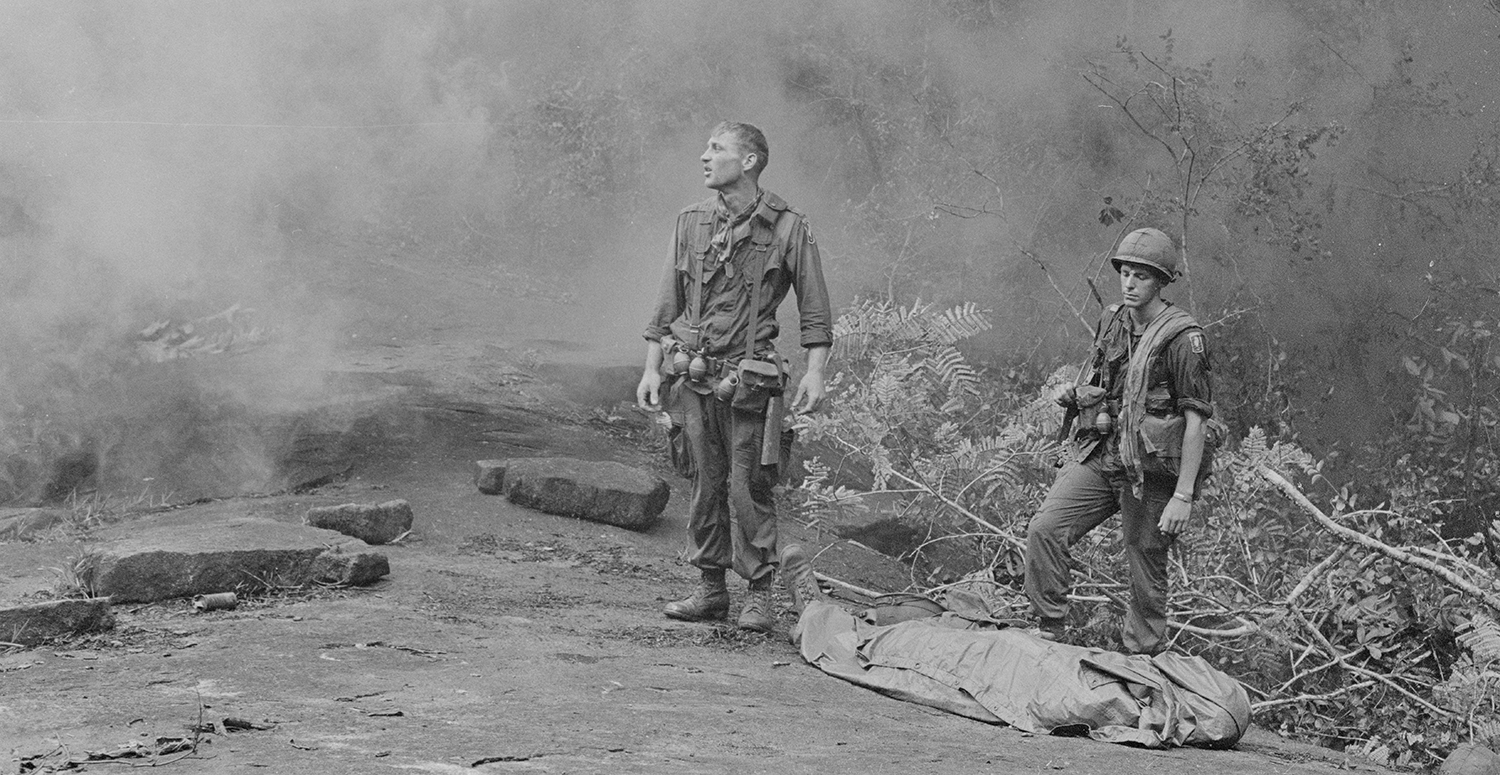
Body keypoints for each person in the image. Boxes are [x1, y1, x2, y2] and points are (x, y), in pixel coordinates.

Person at [637, 121, 833, 633]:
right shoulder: (691, 221)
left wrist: (815, 373)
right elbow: (665, 303)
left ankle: (760, 595)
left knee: (750, 487)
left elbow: (814, 309)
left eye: (716, 148)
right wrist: (653, 367)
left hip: (750, 384)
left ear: (748, 162)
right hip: (695, 377)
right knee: (704, 482)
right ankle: (710, 589)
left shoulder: (789, 227)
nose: (704, 156)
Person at [1024, 227, 1213, 655]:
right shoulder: (1112, 319)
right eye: (1125, 273)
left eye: (1141, 276)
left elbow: (1196, 420)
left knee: (1145, 562)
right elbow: (1102, 378)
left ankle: (1140, 661)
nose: (1129, 283)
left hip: (1150, 469)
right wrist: (1073, 394)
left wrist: (1183, 495)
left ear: (1161, 282)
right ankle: (1048, 630)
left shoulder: (1184, 339)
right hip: (1103, 454)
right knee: (1045, 529)